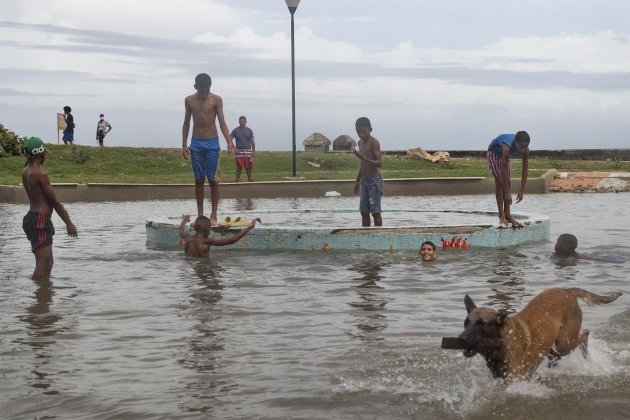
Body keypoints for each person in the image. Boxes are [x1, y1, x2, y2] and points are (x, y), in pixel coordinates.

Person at [21, 137, 78, 281]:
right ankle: (39, 300)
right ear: (41, 154)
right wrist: (68, 223)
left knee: (48, 262)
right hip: (39, 220)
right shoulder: (40, 173)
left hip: (32, 218)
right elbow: (54, 202)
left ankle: (44, 297)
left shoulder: (26, 171)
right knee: (43, 263)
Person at [182, 73, 235, 225]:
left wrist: (229, 142)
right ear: (195, 87)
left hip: (212, 142)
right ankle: (200, 215)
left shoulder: (216, 100)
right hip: (196, 143)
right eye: (202, 90)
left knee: (212, 180)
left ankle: (213, 215)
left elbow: (222, 123)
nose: (205, 93)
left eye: (207, 89)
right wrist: (184, 145)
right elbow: (186, 123)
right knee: (199, 179)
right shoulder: (189, 100)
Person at [486, 131, 530, 226]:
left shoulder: (525, 149)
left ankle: (508, 214)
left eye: (526, 146)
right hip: (493, 154)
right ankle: (501, 215)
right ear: (515, 142)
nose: (523, 149)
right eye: (521, 146)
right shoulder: (507, 148)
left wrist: (522, 190)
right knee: (500, 183)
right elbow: (503, 171)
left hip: (504, 157)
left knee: (508, 183)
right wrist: (507, 193)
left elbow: (525, 169)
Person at [178, 214, 259, 257]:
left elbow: (180, 231)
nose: (211, 229)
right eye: (210, 228)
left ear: (195, 227)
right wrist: (250, 226)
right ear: (207, 229)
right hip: (205, 268)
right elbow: (231, 240)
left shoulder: (188, 238)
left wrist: (184, 220)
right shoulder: (207, 241)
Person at [353, 117, 383, 227]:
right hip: (364, 181)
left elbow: (379, 163)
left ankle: (378, 236)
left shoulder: (374, 142)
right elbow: (362, 164)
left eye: (363, 131)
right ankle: (366, 236)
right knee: (364, 212)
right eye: (358, 131)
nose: (361, 134)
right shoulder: (360, 142)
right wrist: (357, 181)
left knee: (375, 212)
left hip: (374, 181)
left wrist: (364, 158)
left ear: (370, 129)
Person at [230, 116, 256, 182]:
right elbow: (229, 139)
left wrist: (253, 150)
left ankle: (250, 179)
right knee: (239, 167)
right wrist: (234, 148)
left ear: (245, 122)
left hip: (248, 151)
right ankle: (237, 180)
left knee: (248, 167)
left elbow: (252, 141)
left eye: (243, 121)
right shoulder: (235, 130)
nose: (242, 122)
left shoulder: (249, 130)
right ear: (239, 122)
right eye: (241, 121)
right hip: (239, 151)